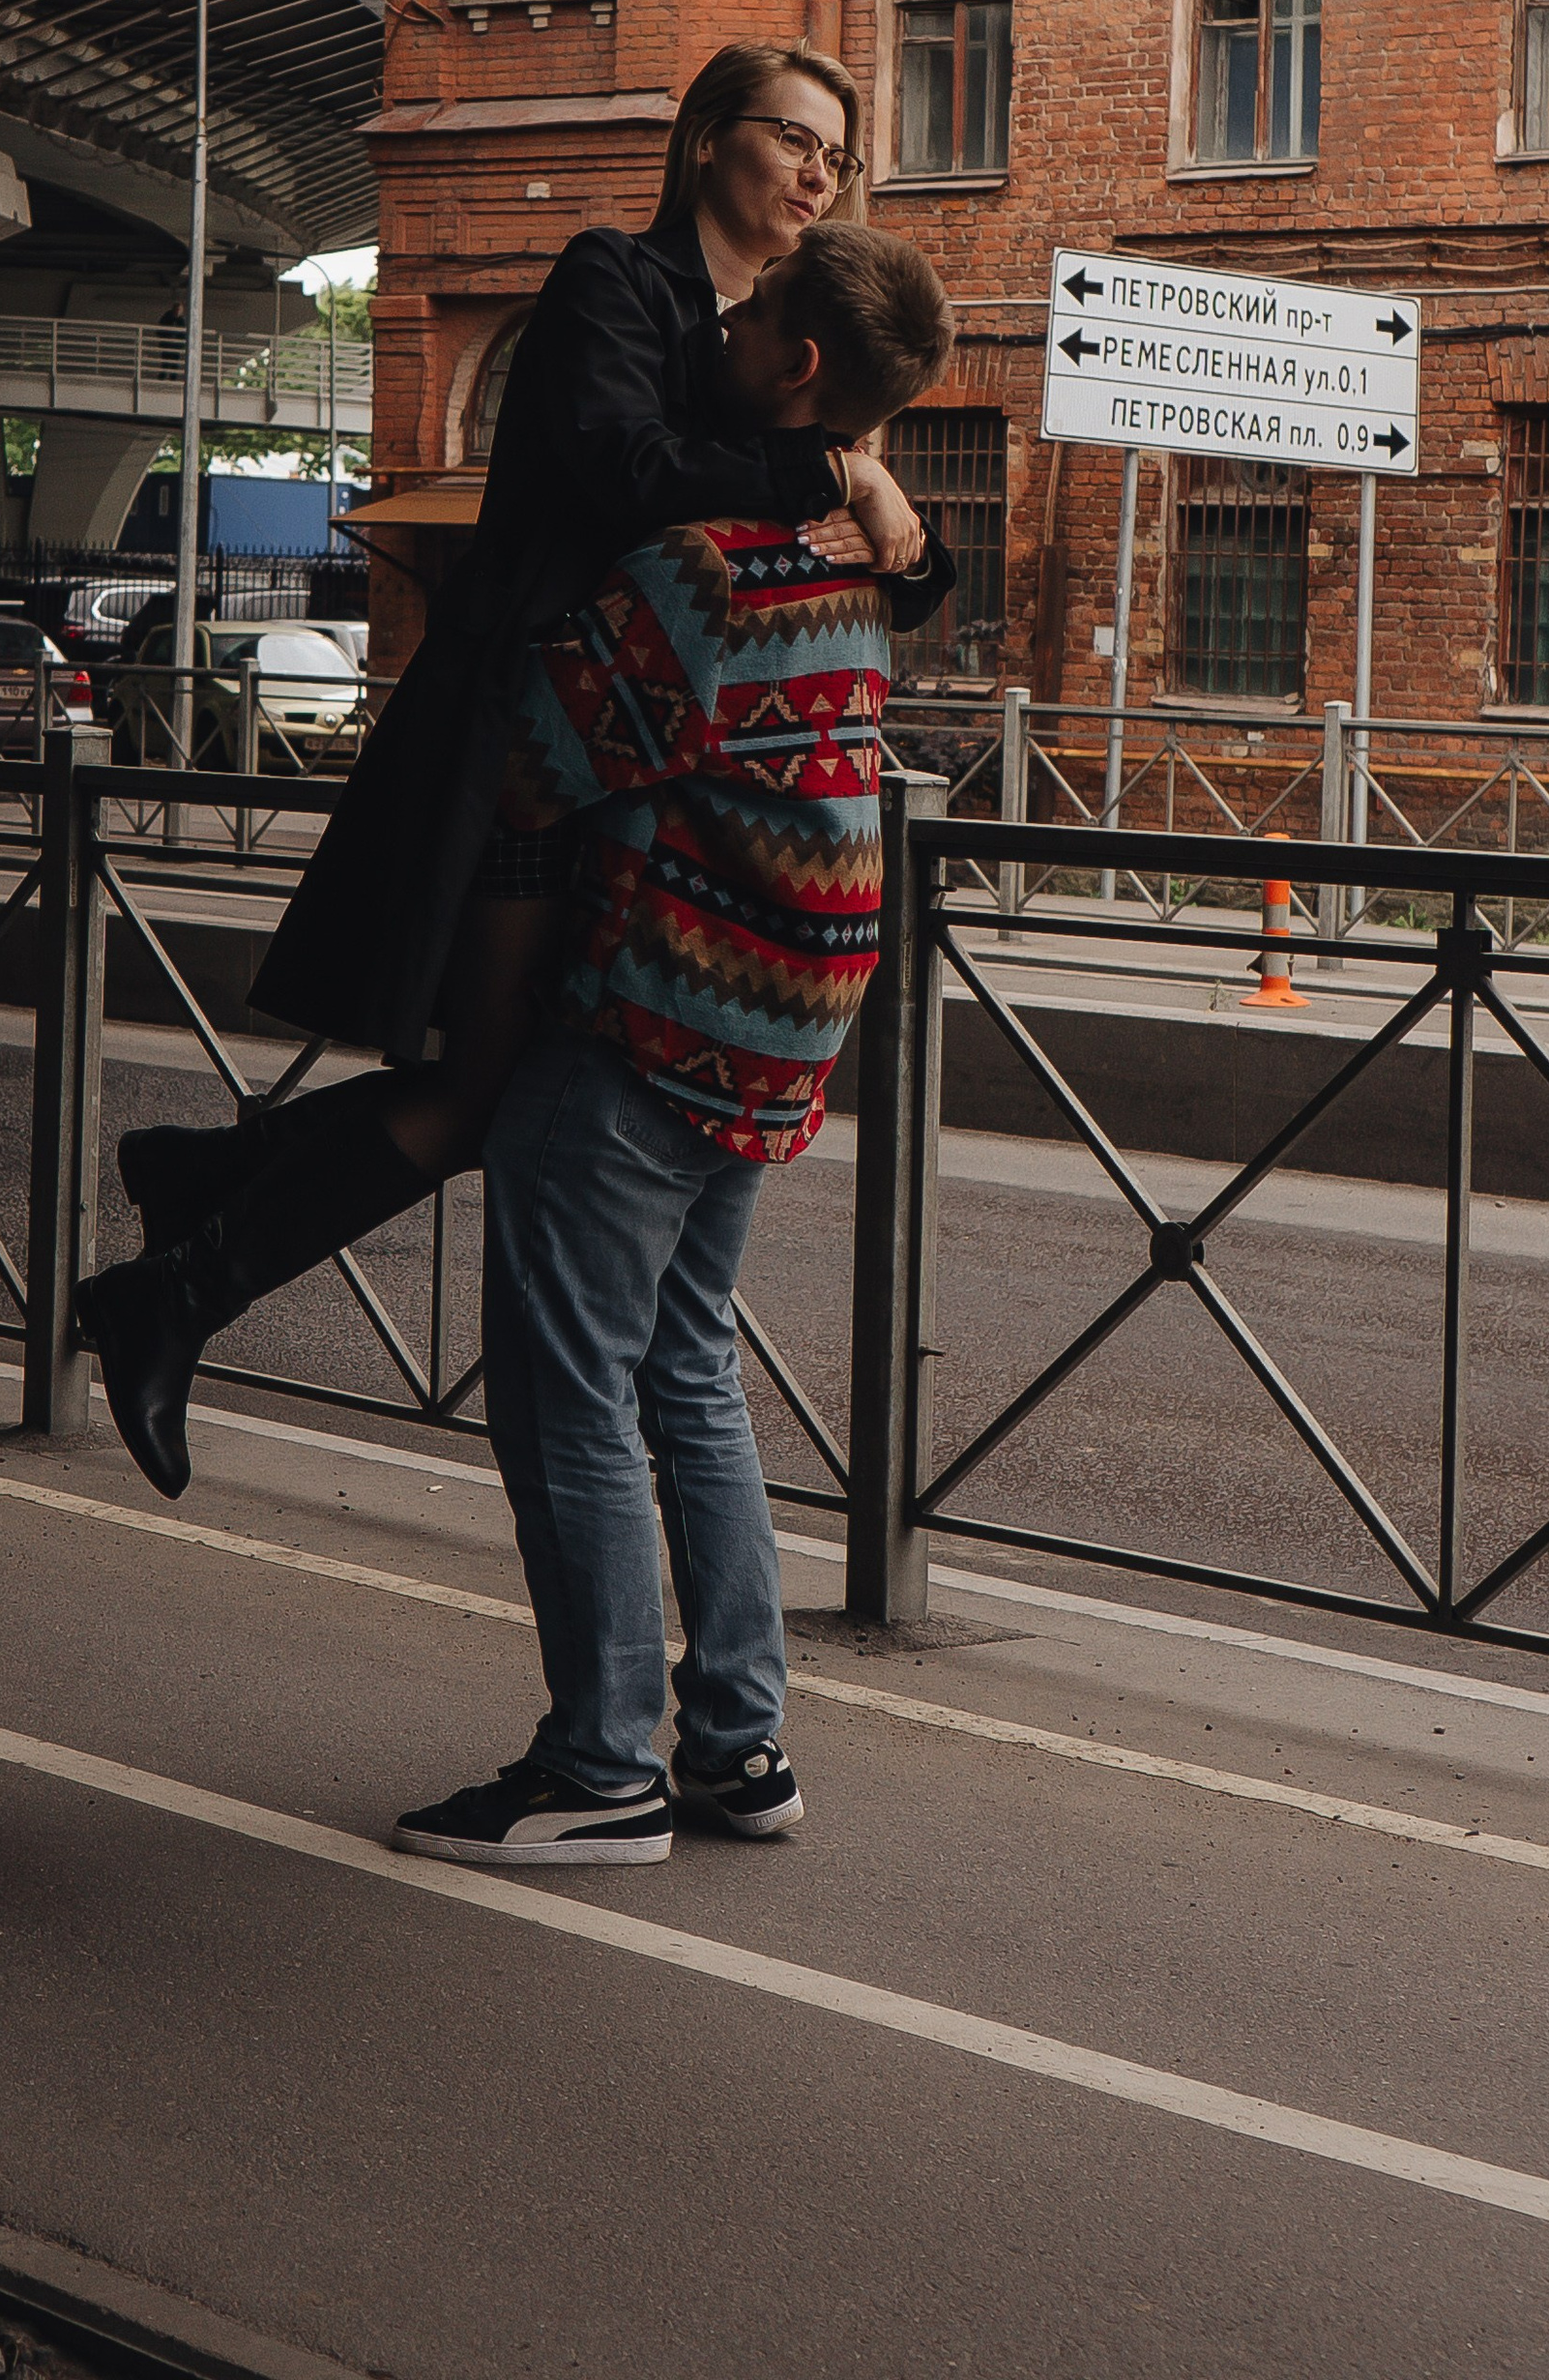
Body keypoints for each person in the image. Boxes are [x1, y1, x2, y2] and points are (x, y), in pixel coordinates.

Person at [79, 47, 952, 1495]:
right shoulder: (619, 283)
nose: (814, 172)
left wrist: (892, 523)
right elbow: (625, 476)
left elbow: (849, 572)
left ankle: (204, 1206)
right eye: (789, 138)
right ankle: (184, 1266)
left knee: (506, 1087)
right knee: (492, 1091)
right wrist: (832, 476)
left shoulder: (800, 335)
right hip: (530, 738)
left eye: (836, 158)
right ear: (701, 144)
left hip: (641, 787)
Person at [389, 225, 957, 1866]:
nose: (728, 313)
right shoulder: (855, 559)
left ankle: (596, 1772)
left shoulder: (705, 567)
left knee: (566, 1396)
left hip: (654, 1015)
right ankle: (736, 1746)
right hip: (782, 1025)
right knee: (688, 1369)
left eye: (759, 308)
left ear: (790, 366)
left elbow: (534, 773)